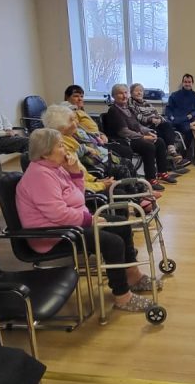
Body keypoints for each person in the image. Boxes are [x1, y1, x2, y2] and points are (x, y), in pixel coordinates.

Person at [16, 128, 160, 312]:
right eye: (60, 146)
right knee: (112, 242)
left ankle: (133, 276)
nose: (65, 149)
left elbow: (78, 197)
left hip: (71, 223)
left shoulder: (55, 168)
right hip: (53, 234)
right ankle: (122, 296)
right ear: (45, 153)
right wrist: (89, 220)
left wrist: (75, 172)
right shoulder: (39, 175)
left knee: (122, 226)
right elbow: (58, 214)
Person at [106, 84, 178, 192]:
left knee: (159, 141)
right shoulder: (113, 111)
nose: (124, 96)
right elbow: (124, 132)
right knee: (148, 146)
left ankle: (162, 172)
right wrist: (143, 137)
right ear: (113, 96)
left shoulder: (128, 109)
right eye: (120, 93)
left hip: (135, 137)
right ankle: (150, 178)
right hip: (124, 141)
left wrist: (149, 132)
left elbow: (138, 126)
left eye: (125, 93)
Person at [129, 83, 190, 170]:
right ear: (131, 92)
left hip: (155, 125)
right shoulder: (131, 104)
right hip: (145, 128)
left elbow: (157, 114)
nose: (139, 93)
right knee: (161, 135)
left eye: (141, 91)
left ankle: (172, 152)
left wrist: (160, 120)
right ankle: (169, 159)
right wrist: (151, 120)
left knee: (167, 125)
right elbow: (137, 117)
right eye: (136, 91)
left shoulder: (147, 103)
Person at [165, 73, 195, 151]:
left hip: (186, 121)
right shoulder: (174, 95)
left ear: (192, 83)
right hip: (174, 120)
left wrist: (191, 115)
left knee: (189, 131)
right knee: (165, 126)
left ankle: (185, 153)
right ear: (182, 83)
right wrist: (171, 117)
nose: (187, 84)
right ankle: (170, 151)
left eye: (189, 82)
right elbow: (168, 109)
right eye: (185, 82)